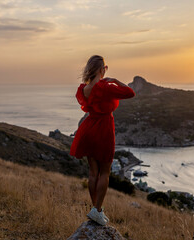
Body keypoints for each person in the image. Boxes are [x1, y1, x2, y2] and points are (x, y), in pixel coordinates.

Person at [69, 55, 136, 225]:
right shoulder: (106, 86)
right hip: (104, 128)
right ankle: (97, 210)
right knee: (105, 172)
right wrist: (116, 80)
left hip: (88, 128)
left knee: (93, 173)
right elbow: (130, 93)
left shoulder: (84, 89)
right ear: (101, 69)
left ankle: (96, 210)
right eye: (105, 68)